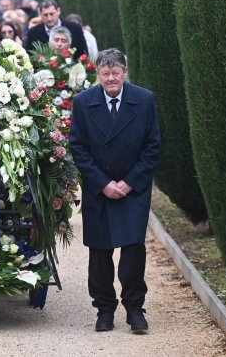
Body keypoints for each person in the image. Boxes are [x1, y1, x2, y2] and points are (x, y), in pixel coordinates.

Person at [68, 48, 161, 334]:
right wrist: (103, 183)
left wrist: (130, 182)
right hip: (100, 189)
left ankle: (135, 309)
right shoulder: (83, 102)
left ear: (125, 72)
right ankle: (104, 309)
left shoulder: (144, 100)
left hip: (133, 189)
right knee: (100, 251)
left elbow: (152, 146)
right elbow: (78, 147)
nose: (111, 79)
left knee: (133, 249)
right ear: (98, 75)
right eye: (106, 74)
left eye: (116, 73)